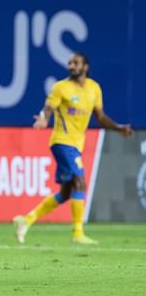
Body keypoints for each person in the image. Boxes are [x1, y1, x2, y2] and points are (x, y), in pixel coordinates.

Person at [13, 52, 133, 245]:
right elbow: (48, 108)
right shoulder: (61, 87)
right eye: (69, 63)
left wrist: (119, 128)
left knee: (67, 192)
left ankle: (26, 220)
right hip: (61, 142)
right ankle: (78, 232)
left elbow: (100, 117)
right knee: (80, 181)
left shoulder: (94, 88)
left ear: (85, 67)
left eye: (76, 63)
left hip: (77, 145)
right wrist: (44, 118)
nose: (71, 65)